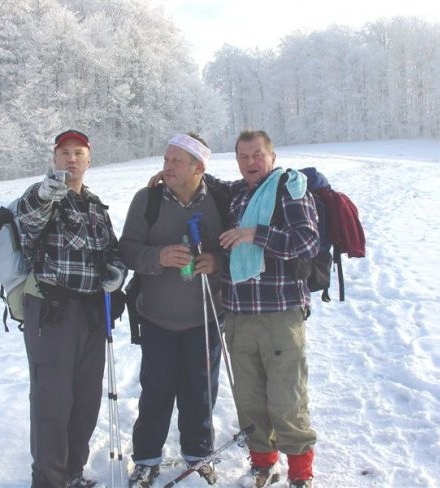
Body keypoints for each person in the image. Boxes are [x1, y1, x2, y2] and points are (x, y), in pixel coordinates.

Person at [16, 129, 127, 488]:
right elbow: (28, 216)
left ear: (89, 159)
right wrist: (44, 192)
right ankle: (48, 481)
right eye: (64, 153)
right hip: (52, 312)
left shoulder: (95, 204)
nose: (71, 159)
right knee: (52, 399)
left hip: (91, 313)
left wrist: (115, 274)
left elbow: (112, 251)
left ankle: (73, 472)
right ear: (54, 159)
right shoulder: (46, 197)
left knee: (85, 397)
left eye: (78, 153)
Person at [119, 133, 228, 488]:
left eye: (176, 161)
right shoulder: (147, 200)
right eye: (166, 160)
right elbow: (127, 250)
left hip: (205, 318)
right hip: (157, 317)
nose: (166, 167)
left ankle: (199, 456)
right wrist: (158, 257)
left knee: (200, 391)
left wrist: (216, 261)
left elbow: (234, 249)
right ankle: (147, 460)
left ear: (199, 167)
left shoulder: (221, 201)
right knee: (156, 389)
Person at [214, 130, 319, 488]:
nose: (250, 163)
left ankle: (301, 472)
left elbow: (307, 240)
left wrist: (255, 233)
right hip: (239, 312)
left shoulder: (288, 188)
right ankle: (262, 462)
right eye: (243, 157)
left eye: (257, 155)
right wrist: (168, 175)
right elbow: (204, 182)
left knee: (286, 398)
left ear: (271, 156)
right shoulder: (236, 196)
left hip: (280, 310)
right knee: (250, 398)